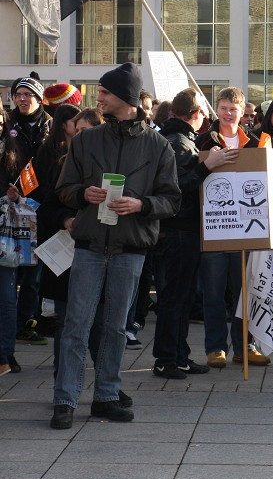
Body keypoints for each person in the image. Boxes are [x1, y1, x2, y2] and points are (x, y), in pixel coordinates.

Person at [51, 62, 181, 429]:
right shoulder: (87, 140)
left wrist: (142, 205)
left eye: (105, 92)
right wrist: (82, 194)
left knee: (114, 328)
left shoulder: (158, 146)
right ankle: (65, 399)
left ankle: (107, 395)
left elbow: (172, 200)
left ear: (125, 97)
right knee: (76, 324)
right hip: (91, 245)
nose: (99, 97)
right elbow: (63, 189)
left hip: (131, 247)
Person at [152, 88, 237, 379]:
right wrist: (207, 167)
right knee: (175, 297)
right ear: (195, 114)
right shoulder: (177, 141)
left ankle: (179, 355)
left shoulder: (177, 138)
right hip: (177, 230)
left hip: (181, 229)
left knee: (183, 297)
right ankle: (167, 358)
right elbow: (177, 188)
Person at [196, 87, 265, 368]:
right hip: (214, 227)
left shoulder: (257, 142)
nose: (228, 114)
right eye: (223, 108)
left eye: (233, 109)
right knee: (212, 292)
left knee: (244, 292)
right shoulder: (203, 141)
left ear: (242, 111)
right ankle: (215, 347)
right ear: (217, 108)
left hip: (247, 229)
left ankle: (245, 346)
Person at [37, 108, 104, 379]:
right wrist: (65, 218)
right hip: (67, 256)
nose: (80, 137)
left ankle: (106, 383)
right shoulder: (62, 164)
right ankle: (62, 382)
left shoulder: (110, 165)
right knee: (66, 322)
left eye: (86, 132)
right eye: (77, 132)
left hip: (100, 252)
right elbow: (46, 209)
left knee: (100, 325)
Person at [9, 76, 51, 347]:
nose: (22, 99)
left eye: (28, 94)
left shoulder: (51, 124)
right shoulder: (7, 124)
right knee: (10, 268)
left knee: (35, 272)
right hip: (11, 204)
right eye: (18, 94)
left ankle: (26, 322)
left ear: (39, 98)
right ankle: (8, 322)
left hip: (41, 205)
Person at [0, 107, 26, 377]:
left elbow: (27, 191)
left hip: (5, 233)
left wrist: (16, 196)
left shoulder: (12, 151)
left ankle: (6, 354)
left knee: (7, 298)